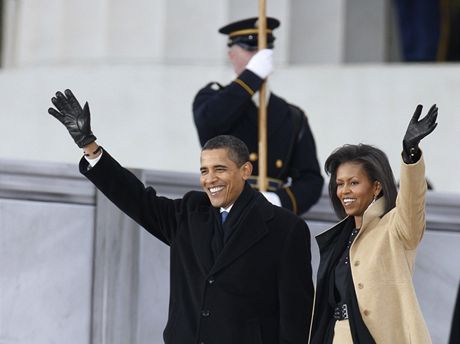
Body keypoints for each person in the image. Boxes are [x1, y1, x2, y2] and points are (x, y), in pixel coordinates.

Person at [48, 89, 314, 343]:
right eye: (204, 170)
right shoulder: (189, 213)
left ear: (245, 171)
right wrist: (90, 147)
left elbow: (296, 321)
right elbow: (136, 198)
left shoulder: (286, 228)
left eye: (219, 169)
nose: (210, 180)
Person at [309, 104, 438, 343]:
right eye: (340, 183)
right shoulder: (338, 238)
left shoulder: (395, 228)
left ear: (376, 187)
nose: (344, 190)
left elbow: (412, 203)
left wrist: (410, 155)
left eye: (354, 183)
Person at [193, 17, 324, 215]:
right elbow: (211, 122)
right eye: (250, 50)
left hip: (270, 217)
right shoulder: (211, 98)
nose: (257, 57)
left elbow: (311, 179)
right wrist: (252, 75)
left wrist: (279, 200)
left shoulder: (292, 115)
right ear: (231, 55)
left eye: (263, 51)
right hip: (226, 210)